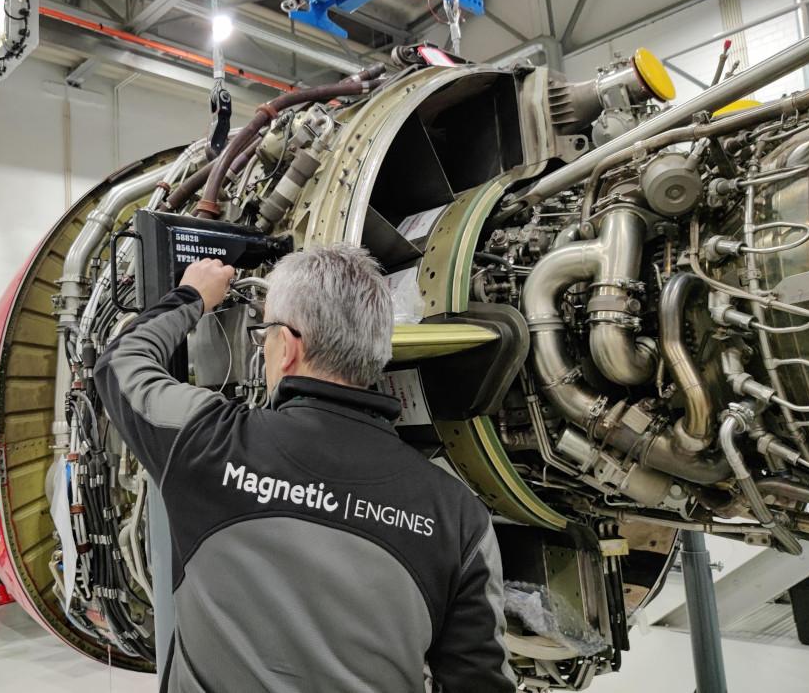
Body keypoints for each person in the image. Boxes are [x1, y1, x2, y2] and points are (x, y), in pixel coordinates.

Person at [94, 244, 515, 693]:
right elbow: (482, 681)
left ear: (289, 348)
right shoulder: (458, 516)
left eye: (266, 335)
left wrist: (192, 295)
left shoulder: (209, 442)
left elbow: (120, 362)